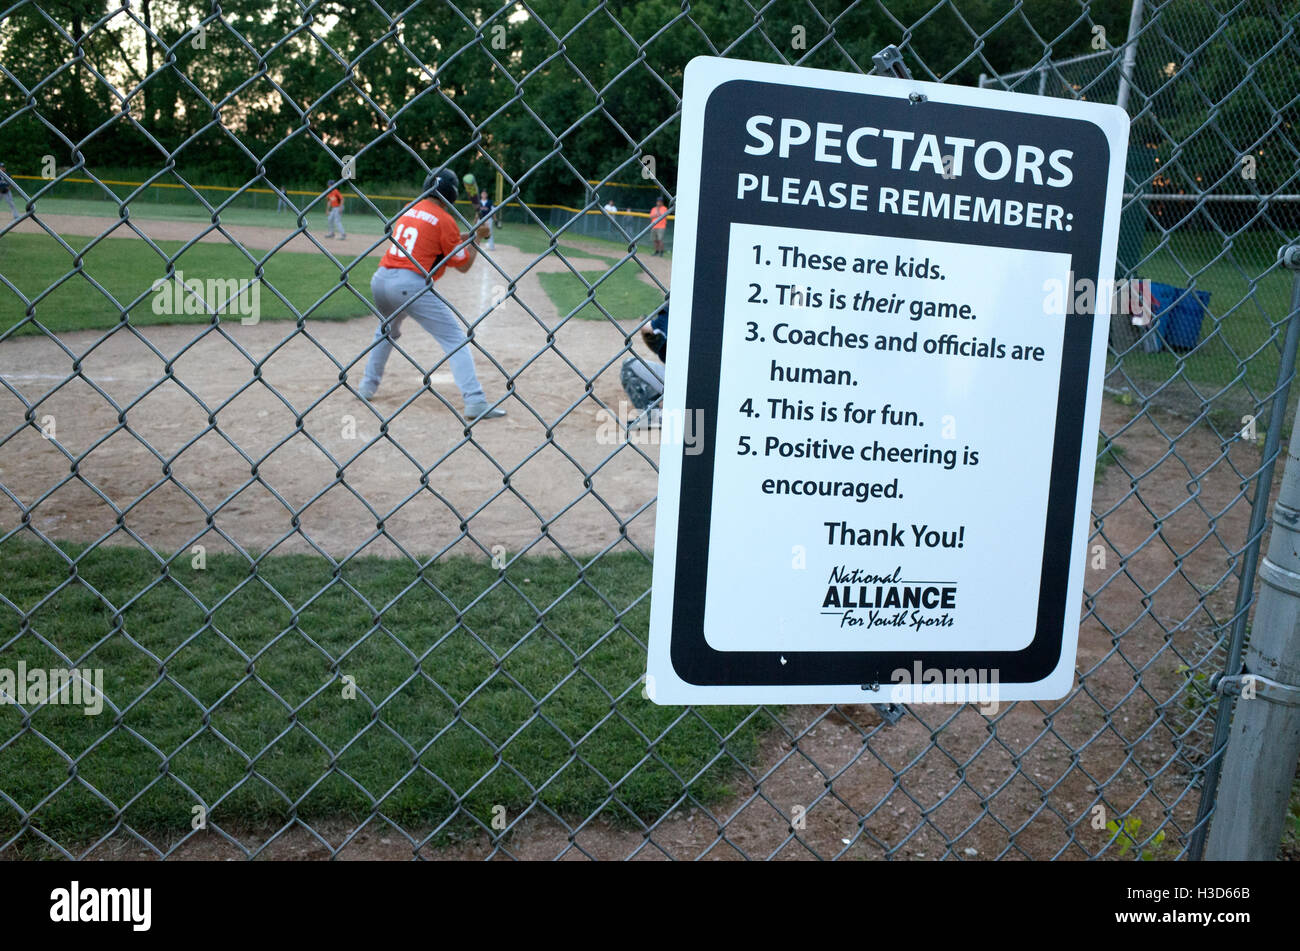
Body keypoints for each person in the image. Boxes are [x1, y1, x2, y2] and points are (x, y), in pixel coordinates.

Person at [357, 168, 506, 421]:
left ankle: (366, 387)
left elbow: (431, 241)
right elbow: (463, 265)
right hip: (409, 284)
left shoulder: (409, 208)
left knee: (386, 332)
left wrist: (468, 236)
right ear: (452, 194)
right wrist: (478, 239)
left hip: (380, 279)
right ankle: (475, 401)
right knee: (455, 339)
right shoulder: (445, 219)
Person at [621, 302, 668, 426]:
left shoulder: (668, 317)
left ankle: (653, 416)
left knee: (628, 366)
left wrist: (647, 321)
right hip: (706, 384)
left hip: (678, 383)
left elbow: (646, 328)